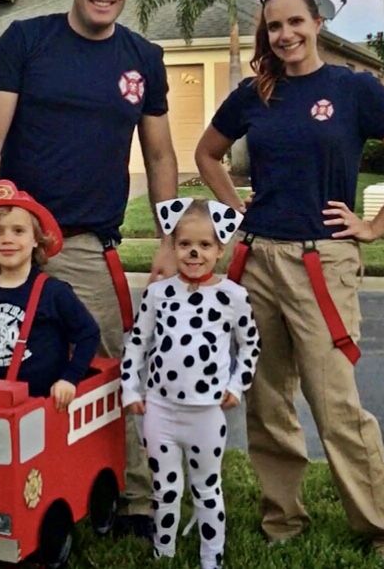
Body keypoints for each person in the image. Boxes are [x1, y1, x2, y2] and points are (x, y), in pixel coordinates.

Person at [195, 0, 384, 562]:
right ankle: (283, 517)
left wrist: (373, 227)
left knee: (335, 402)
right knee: (266, 398)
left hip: (321, 262)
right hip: (256, 259)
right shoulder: (255, 94)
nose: (285, 34)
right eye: (274, 25)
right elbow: (206, 153)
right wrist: (233, 201)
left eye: (295, 22)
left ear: (317, 23)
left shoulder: (354, 90)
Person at [0, 0, 178, 534]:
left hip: (85, 247)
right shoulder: (25, 41)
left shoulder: (142, 59)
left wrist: (165, 237)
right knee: (1, 364)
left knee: (107, 369)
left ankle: (132, 499)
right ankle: (4, 489)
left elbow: (160, 156)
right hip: (12, 239)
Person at [121, 198, 261, 569]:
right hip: (161, 410)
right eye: (185, 244)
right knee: (165, 488)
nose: (194, 253)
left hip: (205, 413)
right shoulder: (158, 293)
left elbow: (250, 344)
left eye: (205, 245)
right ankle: (162, 551)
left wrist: (236, 385)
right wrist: (131, 389)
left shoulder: (233, 296)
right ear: (173, 246)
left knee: (206, 488)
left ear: (219, 249)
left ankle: (211, 557)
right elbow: (138, 341)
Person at [0, 180, 100, 409]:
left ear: (36, 239)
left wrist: (70, 378)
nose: (7, 239)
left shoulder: (54, 292)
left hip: (40, 404)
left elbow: (89, 334)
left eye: (18, 231)